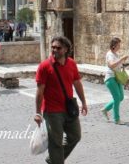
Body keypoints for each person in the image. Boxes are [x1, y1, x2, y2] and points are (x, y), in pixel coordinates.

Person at [34, 36, 88, 164]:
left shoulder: (71, 63)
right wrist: (37, 113)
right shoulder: (45, 66)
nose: (54, 50)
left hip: (69, 108)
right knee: (56, 143)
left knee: (75, 136)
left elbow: (77, 83)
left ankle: (53, 159)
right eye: (53, 47)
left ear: (66, 49)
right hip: (52, 112)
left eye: (58, 48)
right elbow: (39, 91)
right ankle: (56, 160)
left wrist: (84, 102)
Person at [101, 37, 128, 124]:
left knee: (121, 97)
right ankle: (117, 119)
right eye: (118, 45)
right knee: (117, 98)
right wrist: (121, 59)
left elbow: (117, 66)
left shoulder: (115, 54)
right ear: (113, 46)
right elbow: (111, 66)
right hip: (110, 78)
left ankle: (105, 109)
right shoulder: (109, 54)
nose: (119, 46)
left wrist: (123, 64)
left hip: (117, 77)